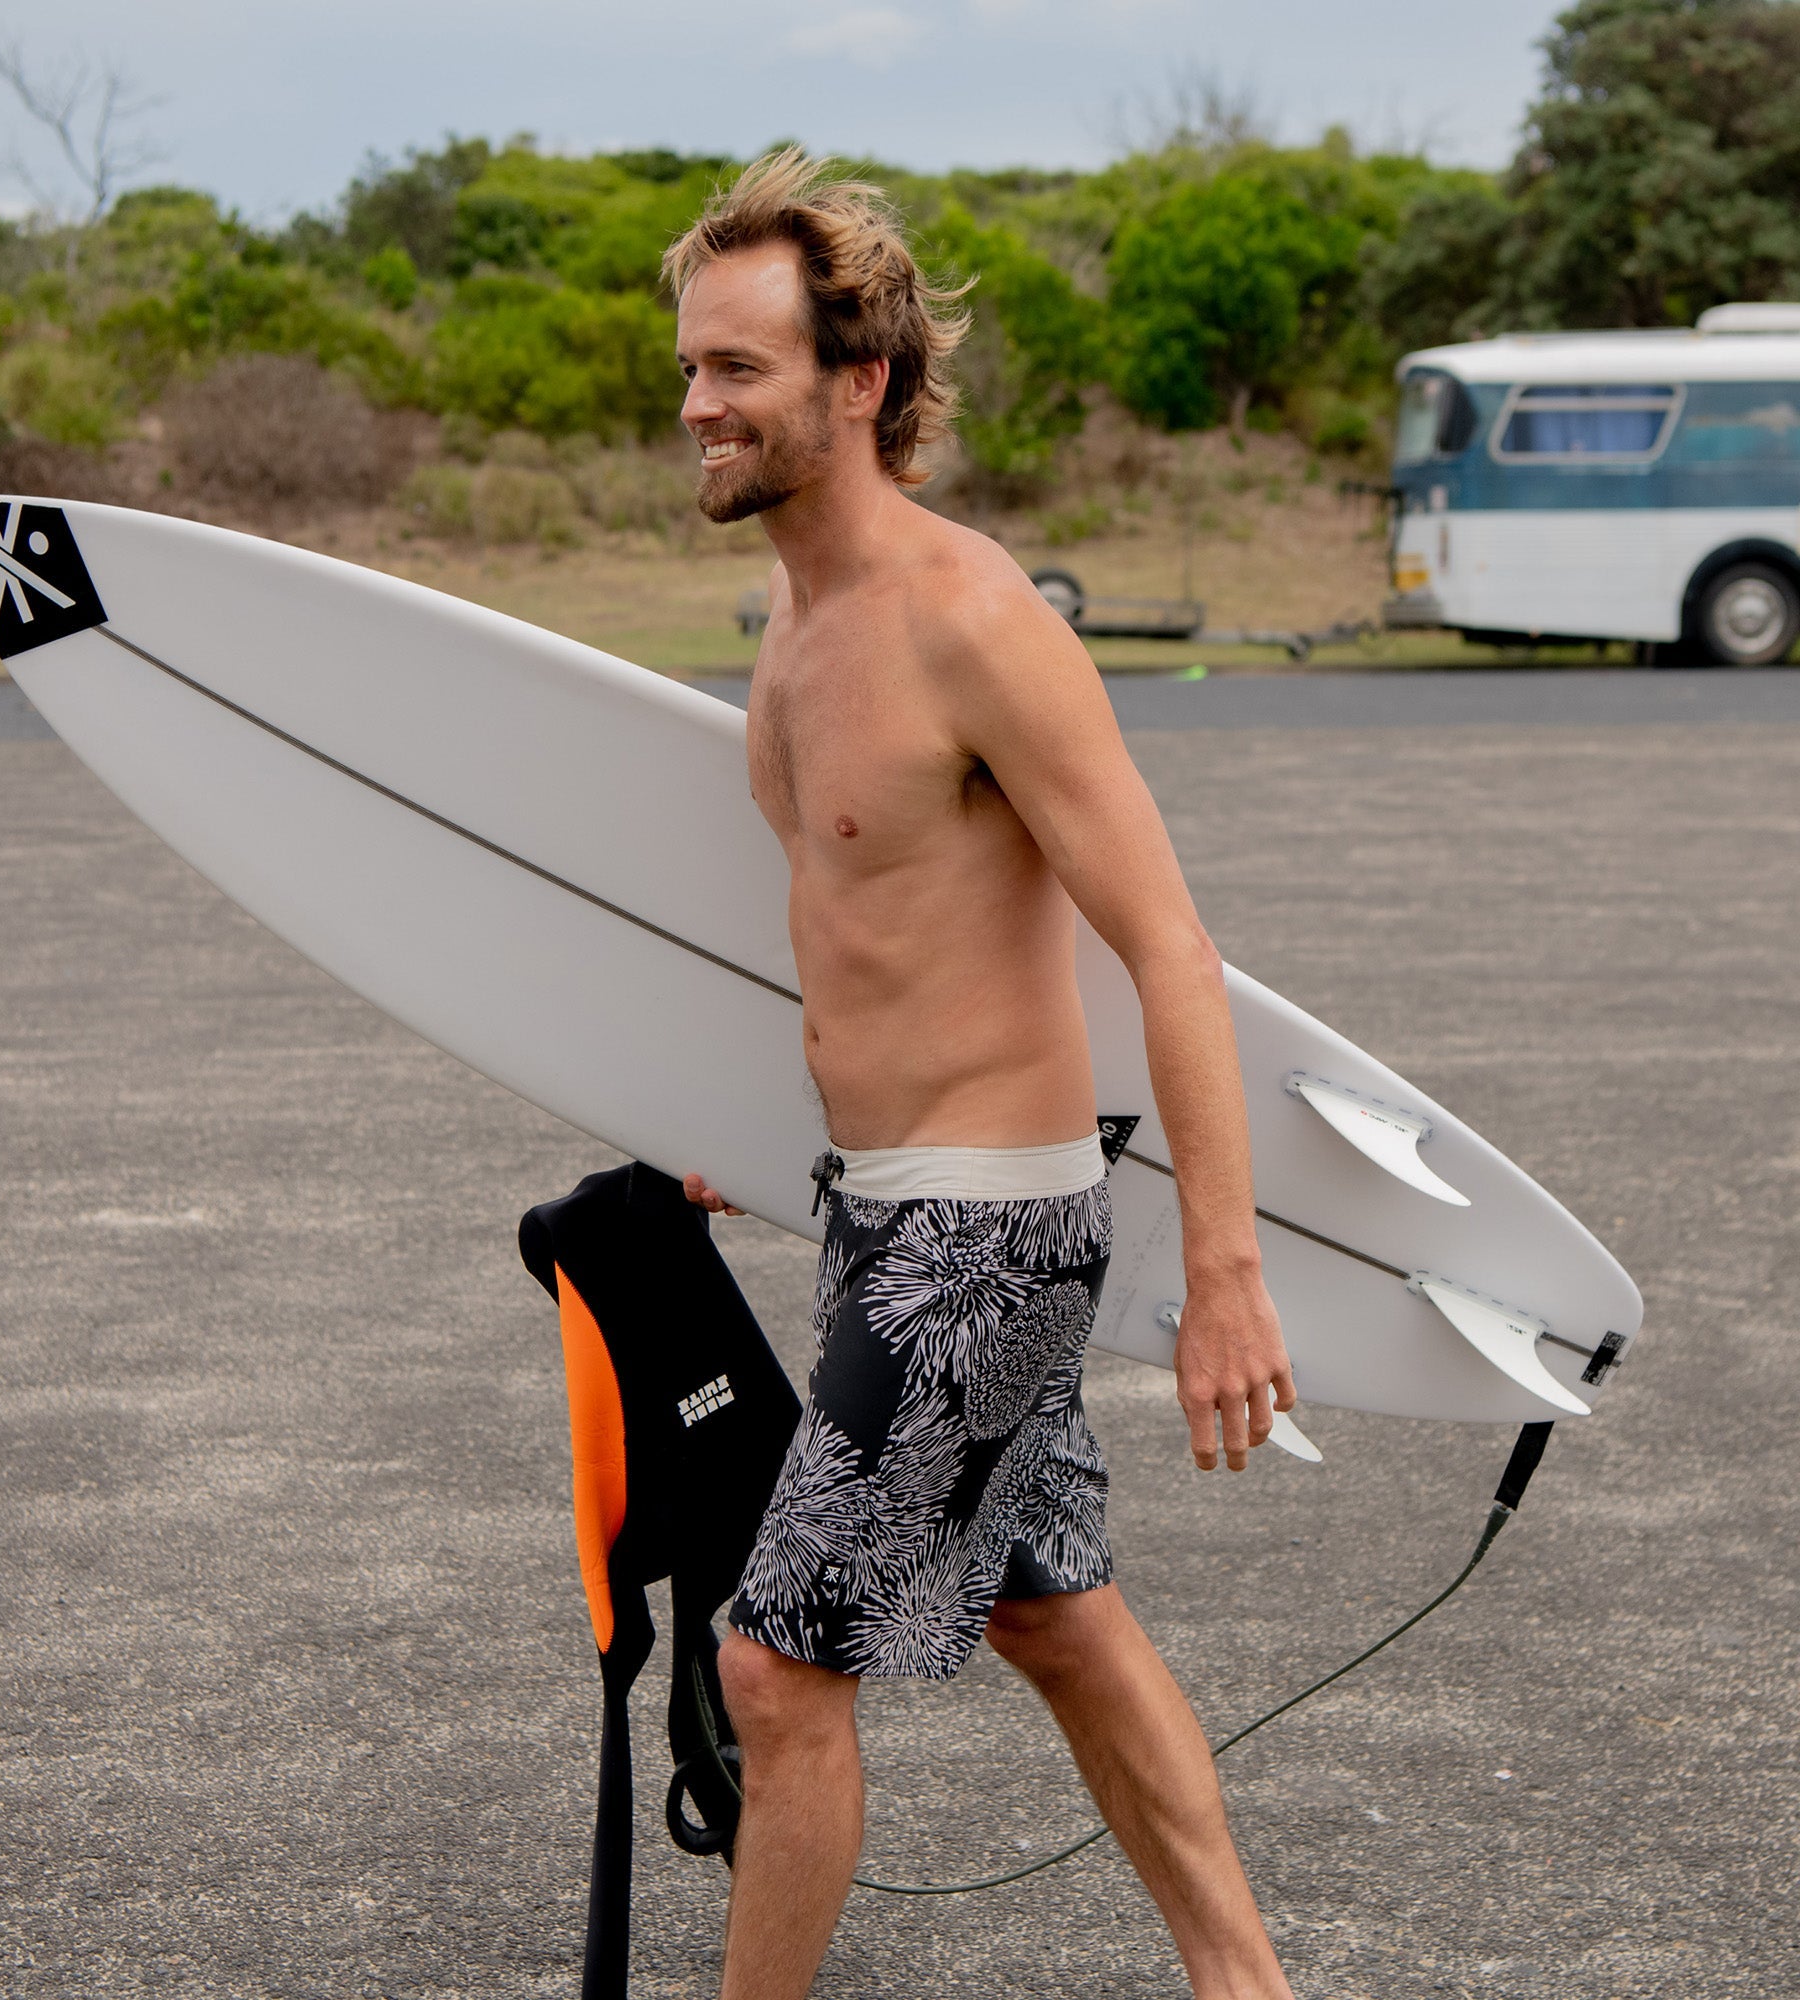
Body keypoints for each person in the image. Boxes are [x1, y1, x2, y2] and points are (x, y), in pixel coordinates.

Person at [665, 150, 1298, 2000]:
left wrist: (1228, 1271)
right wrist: (746, 1137)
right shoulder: (792, 625)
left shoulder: (972, 618)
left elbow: (1169, 946)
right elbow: (867, 944)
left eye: (739, 369)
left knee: (776, 1670)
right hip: (882, 1212)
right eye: (691, 368)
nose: (697, 405)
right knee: (1053, 1615)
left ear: (858, 380)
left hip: (985, 1240)